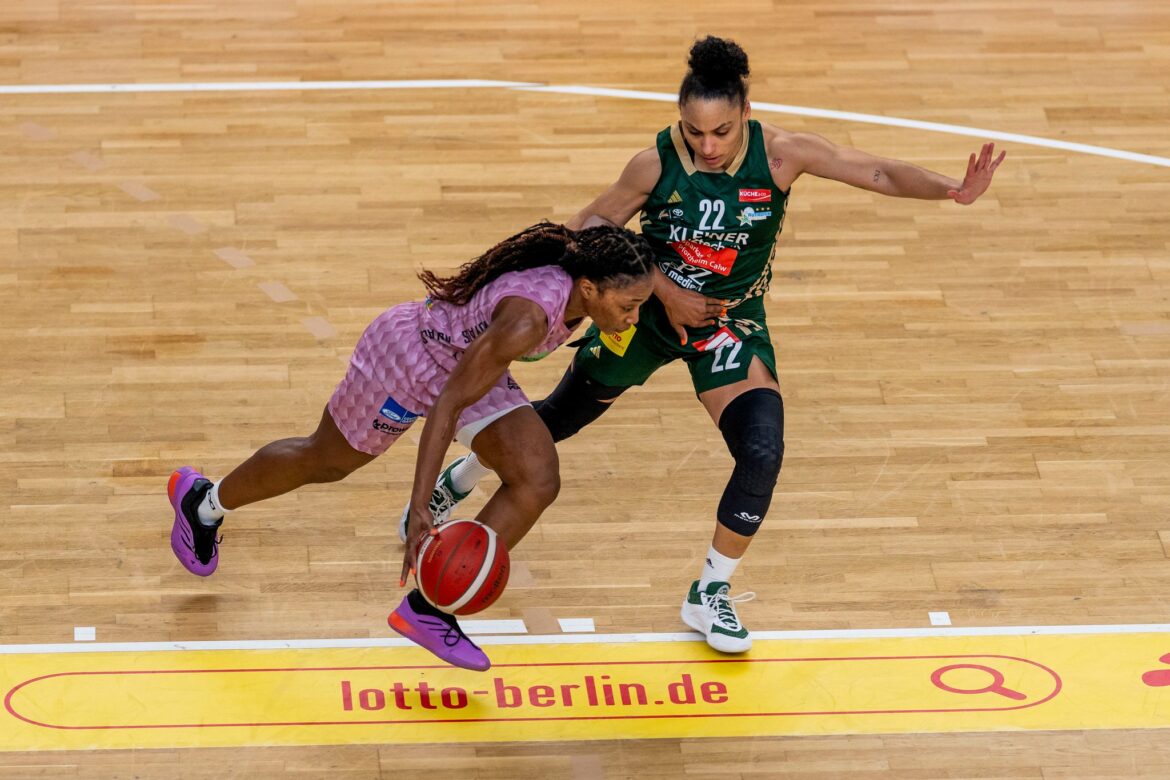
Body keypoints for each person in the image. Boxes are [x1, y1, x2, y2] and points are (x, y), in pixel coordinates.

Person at [405, 36, 1006, 654]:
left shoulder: (782, 156)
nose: (708, 146)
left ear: (746, 112)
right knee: (559, 417)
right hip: (641, 316)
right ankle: (467, 473)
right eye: (694, 132)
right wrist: (663, 290)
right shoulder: (654, 164)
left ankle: (710, 591)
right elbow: (589, 223)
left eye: (721, 131)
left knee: (763, 447)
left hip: (729, 322)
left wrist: (952, 191)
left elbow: (876, 170)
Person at [167, 221, 656, 671]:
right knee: (327, 460)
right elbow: (446, 406)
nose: (632, 319)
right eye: (628, 307)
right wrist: (420, 506)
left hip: (466, 366)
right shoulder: (528, 319)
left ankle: (429, 608)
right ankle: (204, 502)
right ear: (589, 288)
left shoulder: (586, 270)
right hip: (409, 358)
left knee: (537, 476)